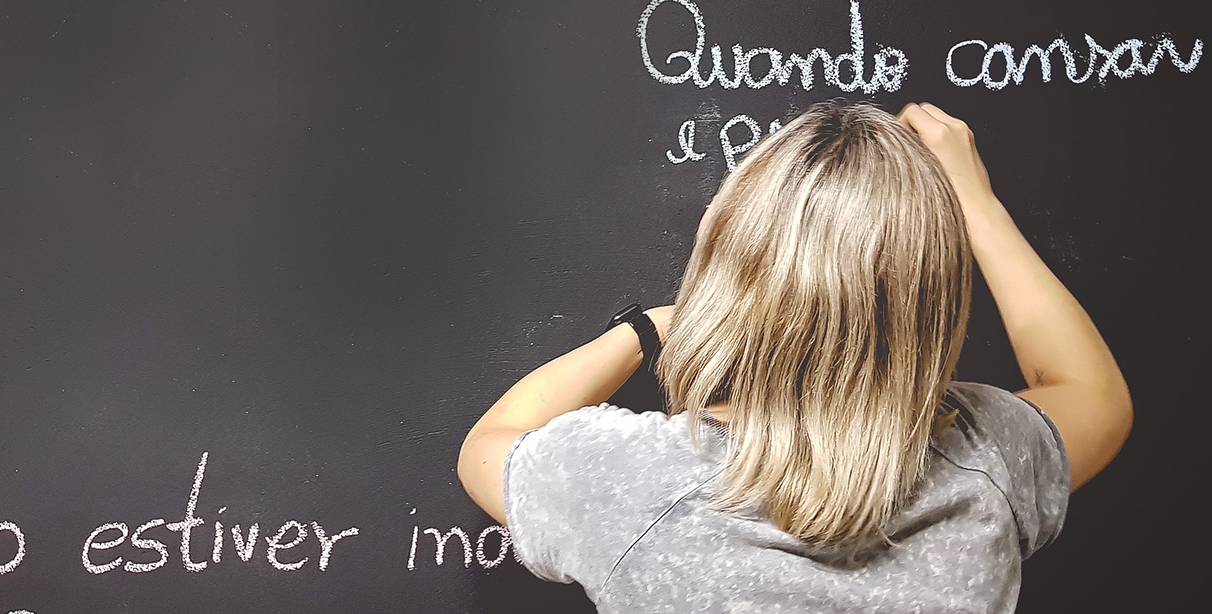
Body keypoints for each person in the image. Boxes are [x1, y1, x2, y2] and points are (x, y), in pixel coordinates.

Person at [456, 101, 1131, 613]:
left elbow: (489, 446)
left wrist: (644, 329)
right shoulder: (987, 460)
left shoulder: (632, 485)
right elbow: (1091, 393)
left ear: (721, 257)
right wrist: (975, 202)